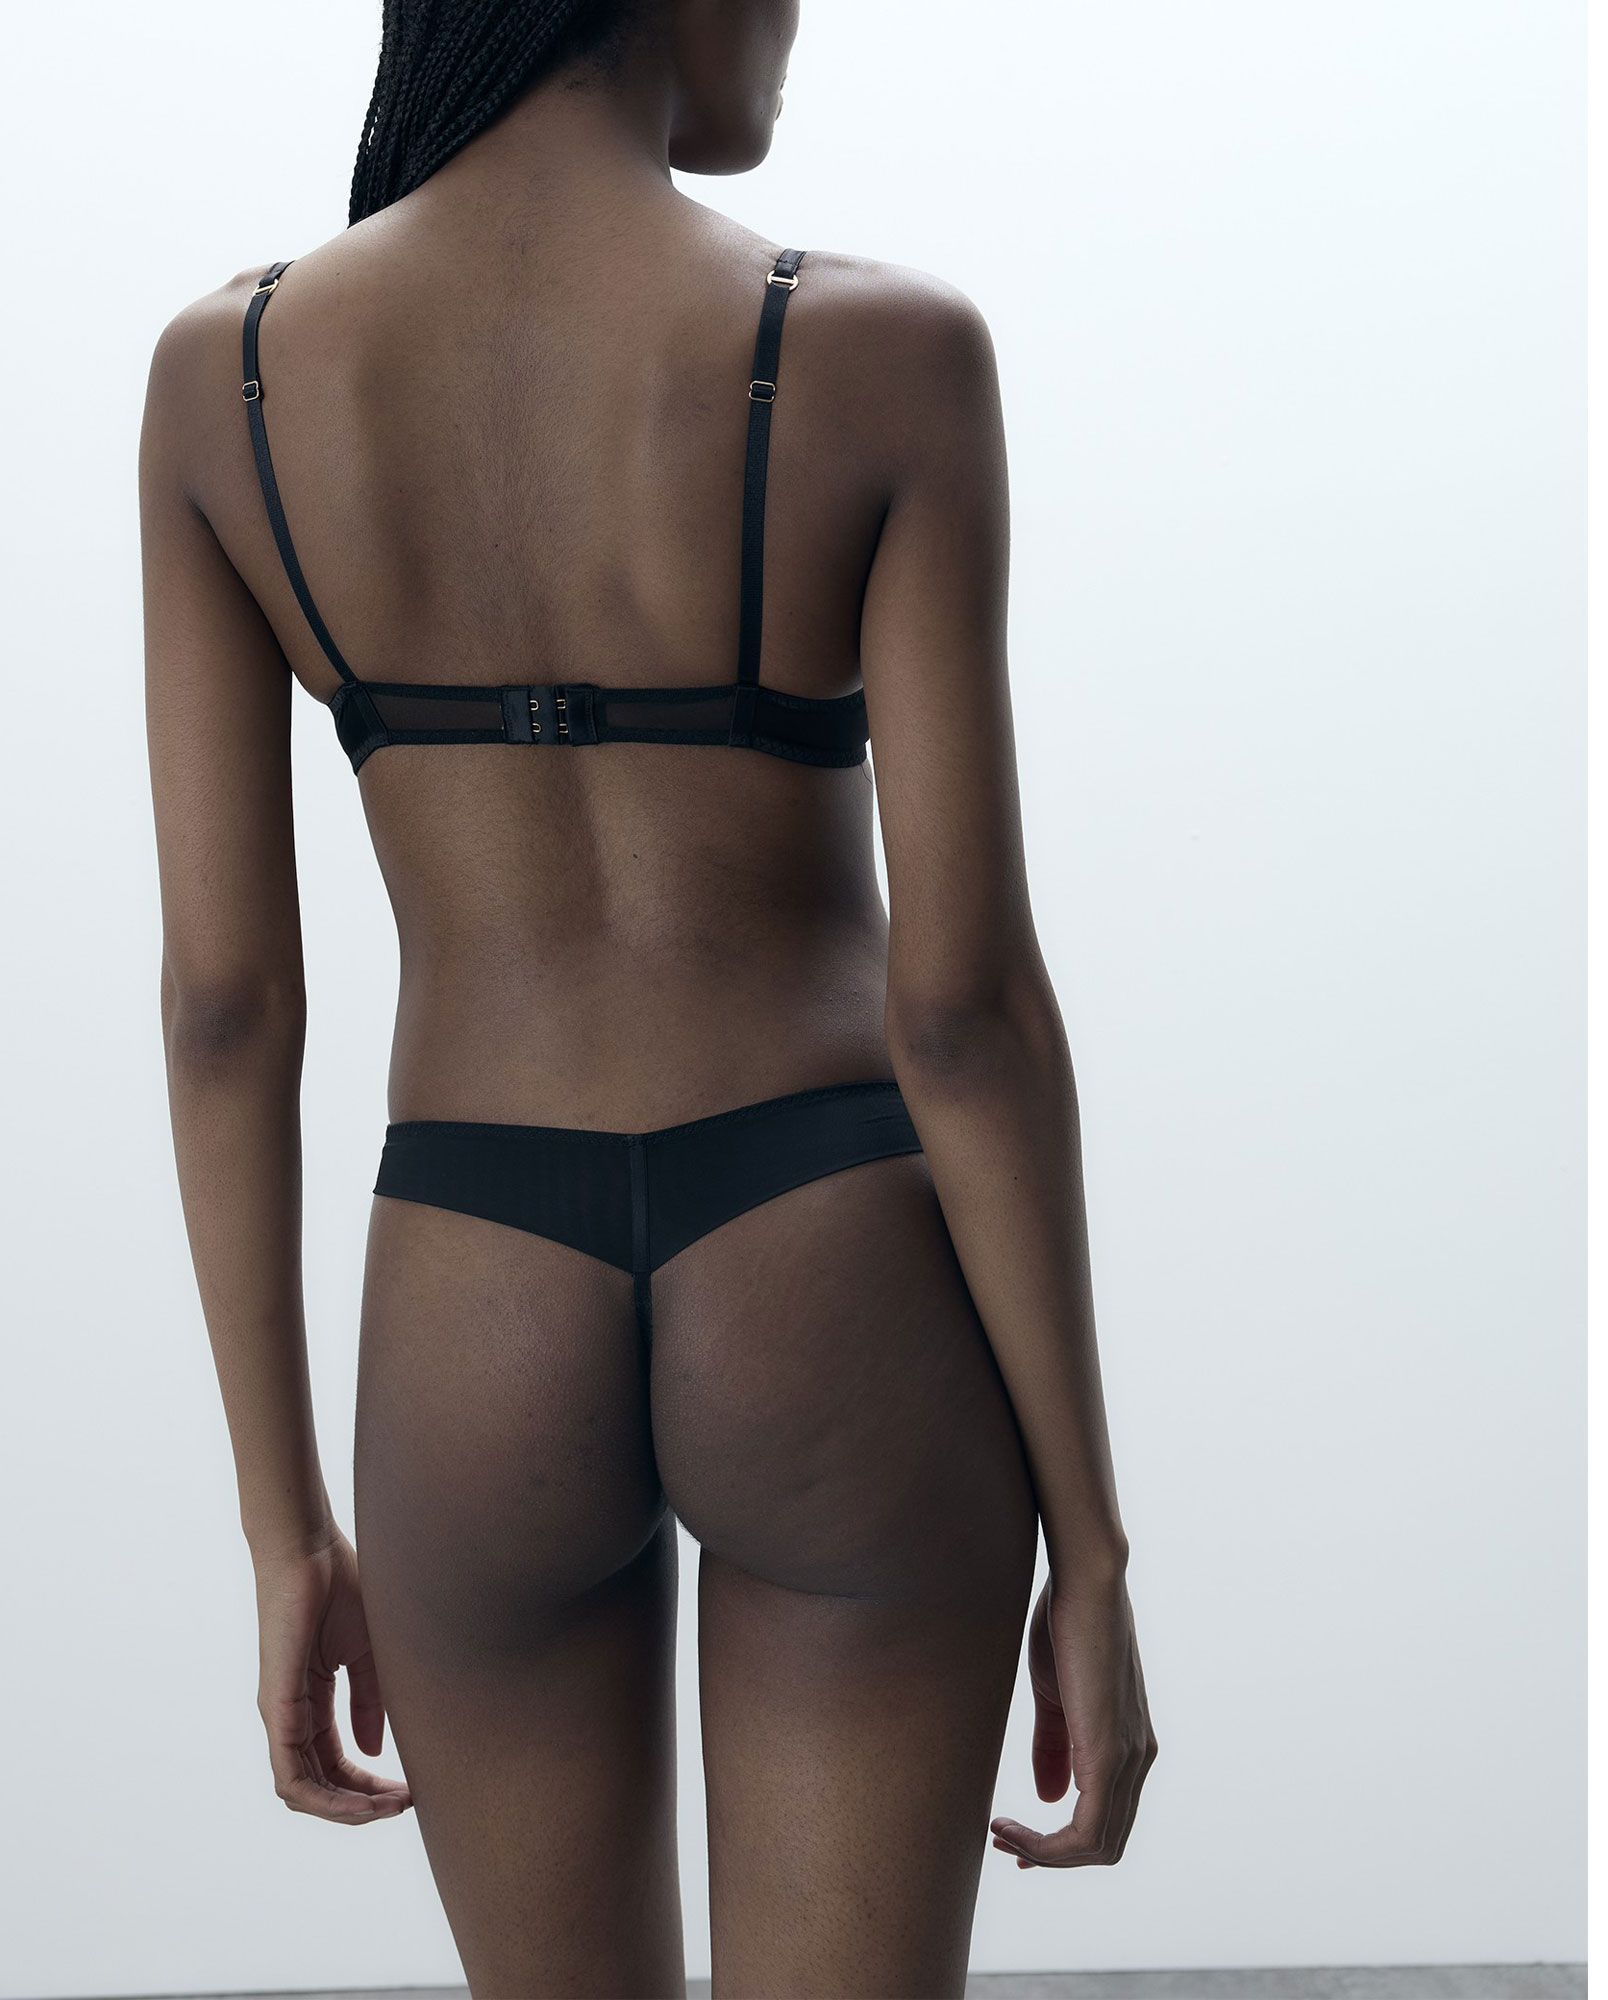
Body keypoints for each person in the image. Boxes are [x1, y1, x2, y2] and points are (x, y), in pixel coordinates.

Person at [139, 1, 1156, 1992]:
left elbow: (225, 1008)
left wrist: (284, 1526)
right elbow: (961, 1010)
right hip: (824, 1257)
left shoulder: (227, 380)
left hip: (472, 1276)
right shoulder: (886, 355)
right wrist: (1094, 1547)